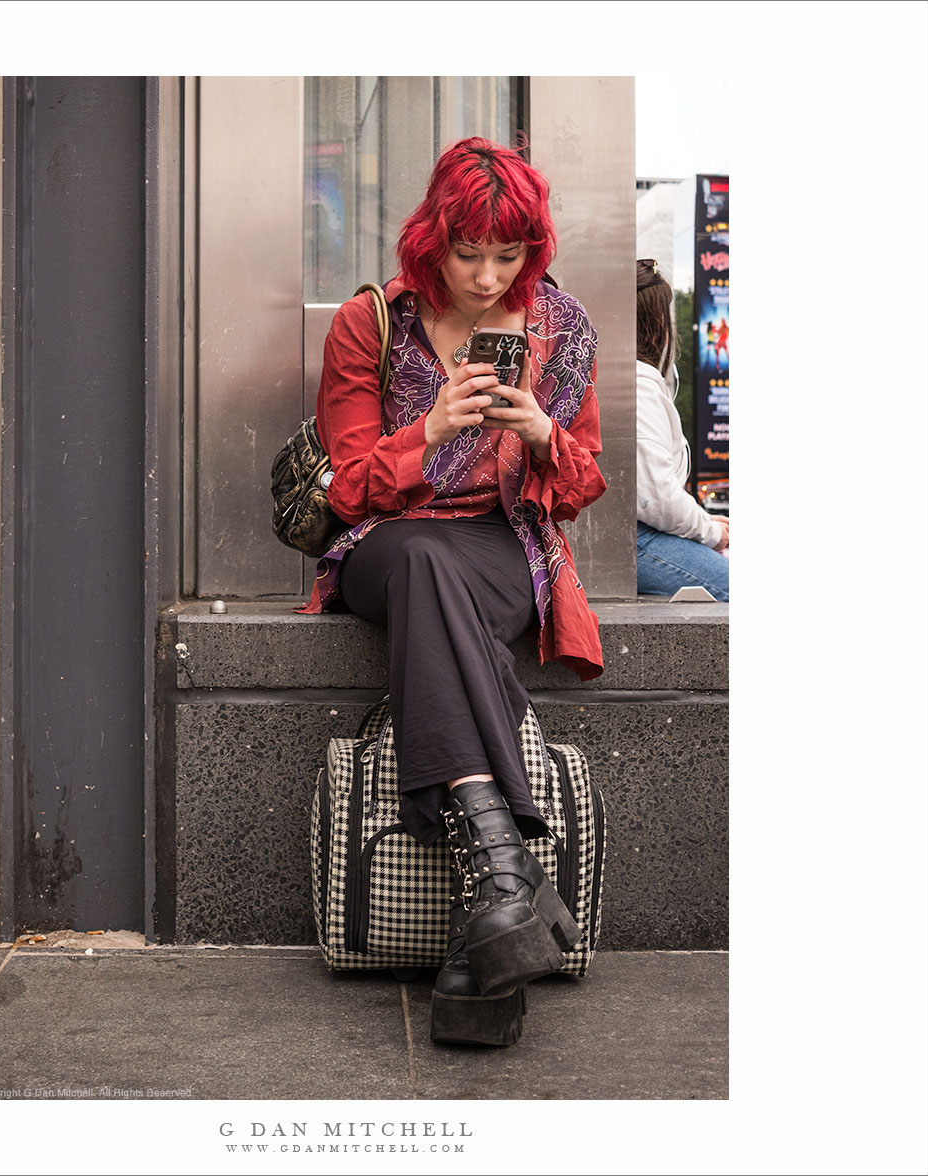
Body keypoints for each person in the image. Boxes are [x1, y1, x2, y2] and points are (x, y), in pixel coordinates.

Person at [298, 137, 606, 1047]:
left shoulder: (561, 327)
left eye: (506, 256)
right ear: (431, 240)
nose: (485, 275)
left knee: (446, 570)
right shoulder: (371, 324)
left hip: (503, 549)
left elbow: (582, 488)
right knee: (424, 561)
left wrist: (545, 436)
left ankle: (496, 907)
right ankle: (510, 870)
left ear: (532, 250)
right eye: (467, 252)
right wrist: (428, 432)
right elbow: (344, 487)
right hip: (384, 544)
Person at [634, 259, 729, 600]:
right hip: (639, 539)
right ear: (659, 322)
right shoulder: (639, 385)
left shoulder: (635, 381)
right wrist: (711, 531)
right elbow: (653, 496)